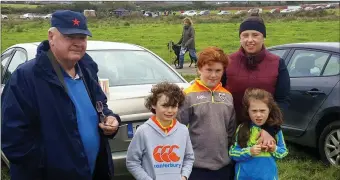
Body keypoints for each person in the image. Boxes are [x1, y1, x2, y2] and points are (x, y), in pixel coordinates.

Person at [1, 10, 121, 180]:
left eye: (82, 37)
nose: (78, 43)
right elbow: (13, 141)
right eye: (69, 36)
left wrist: (110, 119)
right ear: (51, 37)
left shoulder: (87, 70)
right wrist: (55, 166)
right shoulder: (26, 77)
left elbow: (101, 106)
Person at [221, 13, 290, 149]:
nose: (250, 40)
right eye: (245, 35)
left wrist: (270, 130)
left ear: (263, 37)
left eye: (255, 35)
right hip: (231, 129)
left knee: (259, 168)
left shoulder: (277, 63)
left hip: (263, 132)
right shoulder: (228, 62)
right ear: (240, 38)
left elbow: (283, 100)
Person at [178, 47, 236, 180]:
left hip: (223, 165)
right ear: (199, 69)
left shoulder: (227, 96)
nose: (213, 75)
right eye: (209, 70)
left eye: (218, 71)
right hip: (195, 167)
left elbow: (231, 131)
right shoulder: (188, 95)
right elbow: (178, 128)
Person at [126, 82, 195, 180]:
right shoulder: (143, 131)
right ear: (154, 105)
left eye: (174, 106)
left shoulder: (183, 130)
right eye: (165, 106)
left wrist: (184, 176)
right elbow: (132, 162)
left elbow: (189, 158)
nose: (170, 110)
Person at [229, 88, 288, 179]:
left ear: (269, 110)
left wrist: (274, 149)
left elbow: (283, 152)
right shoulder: (242, 128)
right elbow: (232, 153)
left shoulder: (275, 130)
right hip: (244, 176)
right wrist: (249, 151)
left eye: (262, 110)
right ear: (247, 111)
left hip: (268, 176)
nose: (259, 115)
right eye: (254, 111)